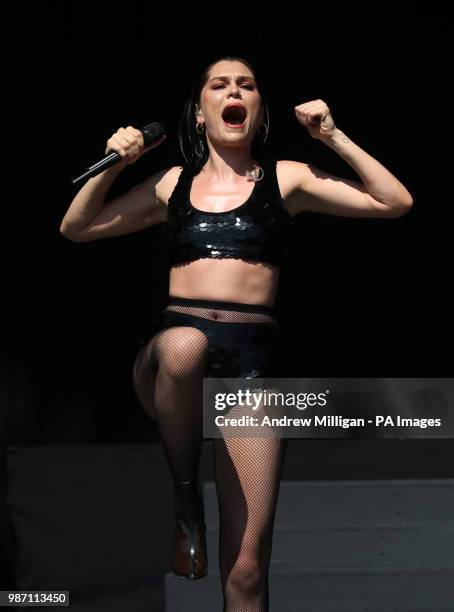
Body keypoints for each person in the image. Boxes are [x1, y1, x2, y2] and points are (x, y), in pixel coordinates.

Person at [60, 55, 414, 611]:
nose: (234, 92)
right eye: (219, 85)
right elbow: (76, 227)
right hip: (175, 355)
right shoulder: (171, 183)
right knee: (185, 344)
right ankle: (186, 507)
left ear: (257, 109)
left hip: (252, 362)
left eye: (246, 86)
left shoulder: (287, 177)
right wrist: (115, 162)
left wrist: (333, 135)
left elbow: (394, 202)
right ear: (200, 113)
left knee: (246, 570)